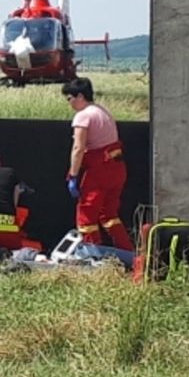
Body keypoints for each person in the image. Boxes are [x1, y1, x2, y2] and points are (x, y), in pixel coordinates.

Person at [62, 77, 133, 251]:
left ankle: (92, 255)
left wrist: (73, 175)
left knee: (86, 215)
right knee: (109, 214)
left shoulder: (83, 116)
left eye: (69, 99)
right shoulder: (103, 111)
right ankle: (128, 252)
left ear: (79, 96)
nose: (69, 103)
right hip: (117, 170)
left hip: (100, 172)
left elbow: (78, 148)